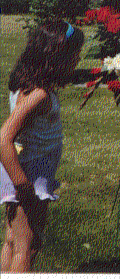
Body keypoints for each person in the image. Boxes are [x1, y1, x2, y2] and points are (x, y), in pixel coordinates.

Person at [1, 21, 84, 272]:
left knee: (13, 239)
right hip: (29, 175)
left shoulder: (27, 83)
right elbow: (3, 138)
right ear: (57, 57)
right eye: (75, 56)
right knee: (29, 244)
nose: (77, 61)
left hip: (24, 169)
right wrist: (23, 185)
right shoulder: (39, 95)